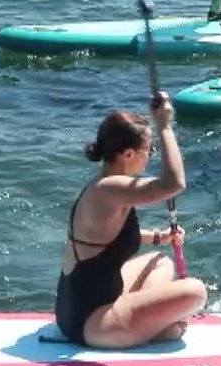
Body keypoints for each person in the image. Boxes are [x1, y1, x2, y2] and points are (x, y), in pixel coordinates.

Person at [56, 98, 207, 349]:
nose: (151, 155)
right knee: (196, 292)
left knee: (160, 261)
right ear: (128, 154)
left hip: (74, 309)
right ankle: (152, 328)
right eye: (150, 150)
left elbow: (110, 239)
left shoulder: (104, 186)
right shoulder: (110, 189)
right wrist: (164, 126)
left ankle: (144, 321)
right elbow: (174, 184)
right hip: (91, 322)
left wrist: (159, 237)